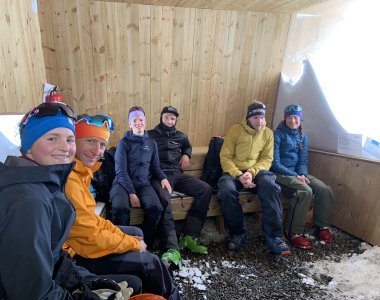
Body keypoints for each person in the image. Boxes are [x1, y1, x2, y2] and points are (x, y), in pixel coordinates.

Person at [0, 102, 128, 299]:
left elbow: (53, 256)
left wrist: (84, 281)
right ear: (29, 146)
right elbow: (33, 293)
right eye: (52, 138)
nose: (65, 147)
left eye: (70, 139)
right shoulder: (28, 201)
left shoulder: (44, 184)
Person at [64, 113, 180, 299]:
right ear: (74, 141)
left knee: (142, 226)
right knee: (121, 210)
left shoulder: (81, 173)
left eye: (102, 144)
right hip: (75, 254)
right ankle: (163, 288)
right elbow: (121, 171)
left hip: (83, 243)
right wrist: (130, 244)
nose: (97, 150)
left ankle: (147, 258)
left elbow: (93, 222)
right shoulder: (71, 179)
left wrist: (131, 241)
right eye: (90, 141)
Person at [110, 106, 182, 268]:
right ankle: (121, 246)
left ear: (145, 121)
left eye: (141, 120)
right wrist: (131, 193)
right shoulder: (124, 143)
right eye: (134, 120)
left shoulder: (151, 143)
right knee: (120, 207)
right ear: (130, 123)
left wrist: (163, 178)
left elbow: (155, 167)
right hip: (122, 183)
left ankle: (144, 243)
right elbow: (120, 171)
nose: (138, 123)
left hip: (143, 183)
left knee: (156, 207)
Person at [217, 101, 290, 255]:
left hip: (257, 172)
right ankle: (238, 233)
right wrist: (238, 174)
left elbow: (267, 159)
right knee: (226, 190)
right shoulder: (235, 130)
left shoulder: (268, 133)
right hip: (234, 171)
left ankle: (274, 236)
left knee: (271, 186)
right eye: (256, 117)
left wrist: (251, 172)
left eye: (262, 117)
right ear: (249, 118)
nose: (260, 121)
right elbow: (225, 156)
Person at [148, 106, 212, 255]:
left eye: (172, 118)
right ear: (161, 117)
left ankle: (189, 236)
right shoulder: (150, 135)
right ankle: (170, 247)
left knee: (205, 189)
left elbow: (187, 146)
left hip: (177, 174)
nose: (169, 121)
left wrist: (186, 154)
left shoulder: (181, 136)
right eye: (166, 117)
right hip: (159, 176)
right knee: (165, 199)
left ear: (176, 120)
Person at [271, 104, 333, 249]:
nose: (293, 120)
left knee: (324, 189)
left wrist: (303, 175)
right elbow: (274, 163)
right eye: (290, 117)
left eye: (296, 117)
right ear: (285, 118)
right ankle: (293, 232)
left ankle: (322, 226)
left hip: (297, 174)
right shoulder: (277, 134)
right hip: (279, 173)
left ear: (300, 118)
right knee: (305, 191)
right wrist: (295, 176)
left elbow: (303, 160)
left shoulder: (303, 136)